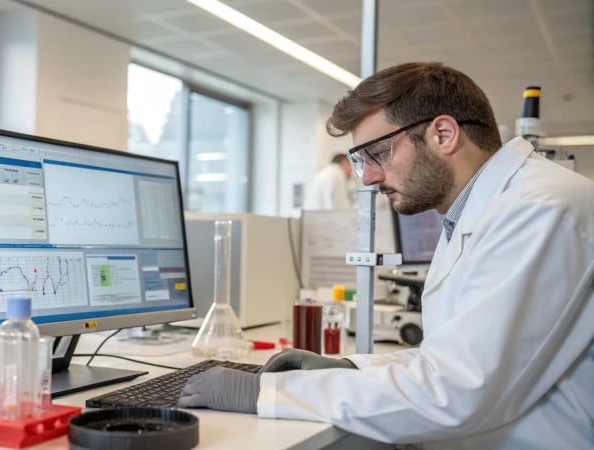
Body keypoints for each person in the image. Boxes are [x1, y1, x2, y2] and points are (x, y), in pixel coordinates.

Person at [178, 62, 594, 449]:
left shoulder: (539, 209)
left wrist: (264, 392)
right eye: (360, 162)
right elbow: (448, 358)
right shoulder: (477, 210)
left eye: (378, 153)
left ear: (443, 134)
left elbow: (459, 390)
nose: (371, 177)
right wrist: (349, 368)